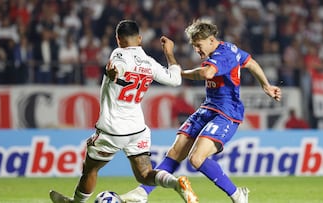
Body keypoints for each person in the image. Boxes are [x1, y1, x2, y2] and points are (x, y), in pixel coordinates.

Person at [120, 19, 282, 203]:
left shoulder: (225, 54)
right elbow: (250, 62)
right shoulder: (230, 51)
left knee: (196, 159)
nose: (197, 50)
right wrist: (266, 85)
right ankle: (143, 193)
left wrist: (180, 73)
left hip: (227, 113)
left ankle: (238, 196)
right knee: (175, 152)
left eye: (199, 45)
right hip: (208, 108)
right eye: (195, 46)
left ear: (212, 40)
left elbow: (207, 74)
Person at [49, 20, 198, 203]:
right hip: (137, 129)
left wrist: (113, 72)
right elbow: (175, 80)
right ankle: (177, 184)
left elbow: (116, 66)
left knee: (91, 169)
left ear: (118, 39)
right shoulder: (149, 63)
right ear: (140, 39)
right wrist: (169, 53)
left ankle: (76, 202)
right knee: (145, 174)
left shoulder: (118, 53)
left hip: (112, 129)